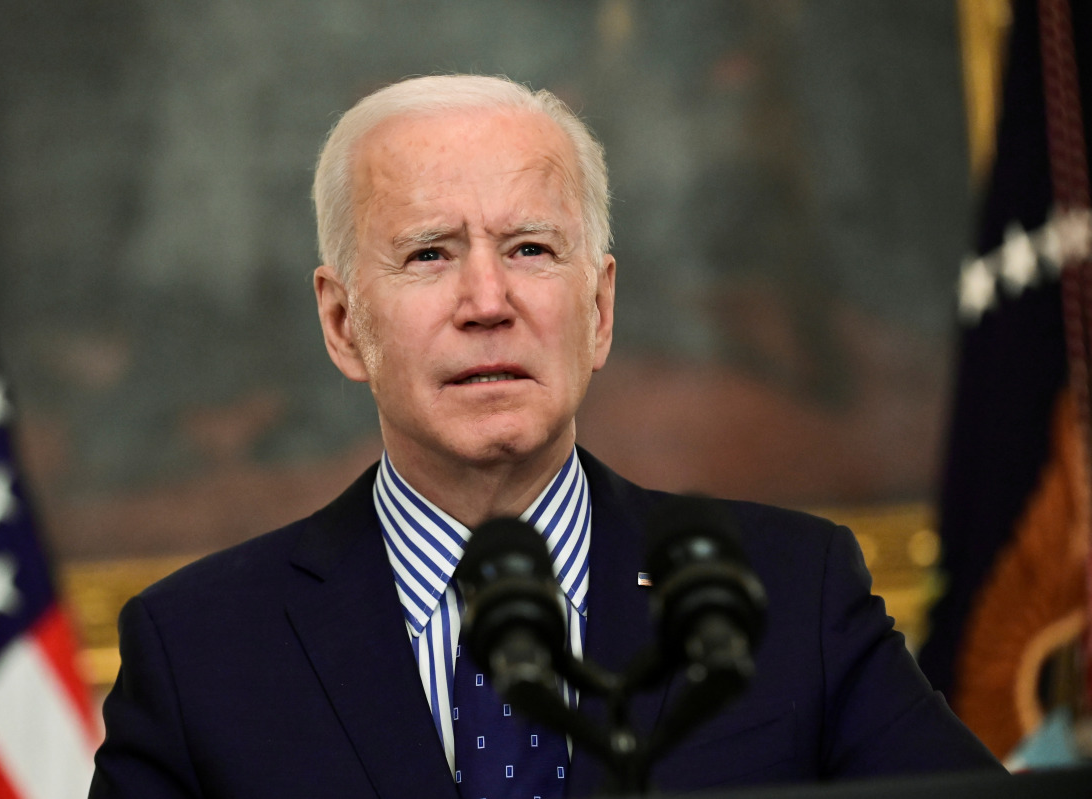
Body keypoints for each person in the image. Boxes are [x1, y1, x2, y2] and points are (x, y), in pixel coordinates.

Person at [89, 74, 1001, 798]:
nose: (488, 303)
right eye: (429, 254)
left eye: (530, 248)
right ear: (341, 323)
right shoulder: (199, 650)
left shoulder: (793, 594)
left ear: (599, 309)